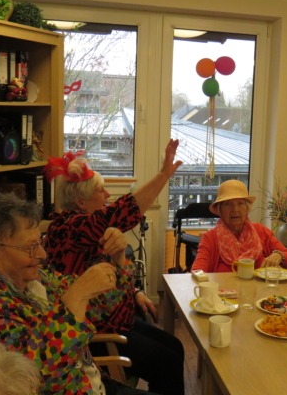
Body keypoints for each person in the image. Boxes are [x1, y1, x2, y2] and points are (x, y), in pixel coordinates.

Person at [43, 139, 185, 394]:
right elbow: (121, 212)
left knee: (176, 347)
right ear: (81, 202)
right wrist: (163, 175)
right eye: (101, 191)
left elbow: (118, 273)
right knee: (168, 361)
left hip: (118, 318)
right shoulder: (67, 228)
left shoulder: (89, 232)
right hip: (97, 332)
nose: (108, 196)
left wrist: (135, 291)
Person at [0, 193, 157, 394]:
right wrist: (77, 295)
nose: (42, 255)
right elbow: (37, 378)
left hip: (92, 383)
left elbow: (99, 307)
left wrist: (118, 260)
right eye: (31, 247)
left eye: (40, 243)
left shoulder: (36, 281)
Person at [191, 180, 287, 272]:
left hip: (259, 290)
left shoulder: (261, 231)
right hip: (224, 290)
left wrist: (280, 255)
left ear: (247, 208)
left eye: (240, 203)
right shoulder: (210, 238)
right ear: (220, 210)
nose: (235, 209)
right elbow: (197, 271)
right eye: (228, 204)